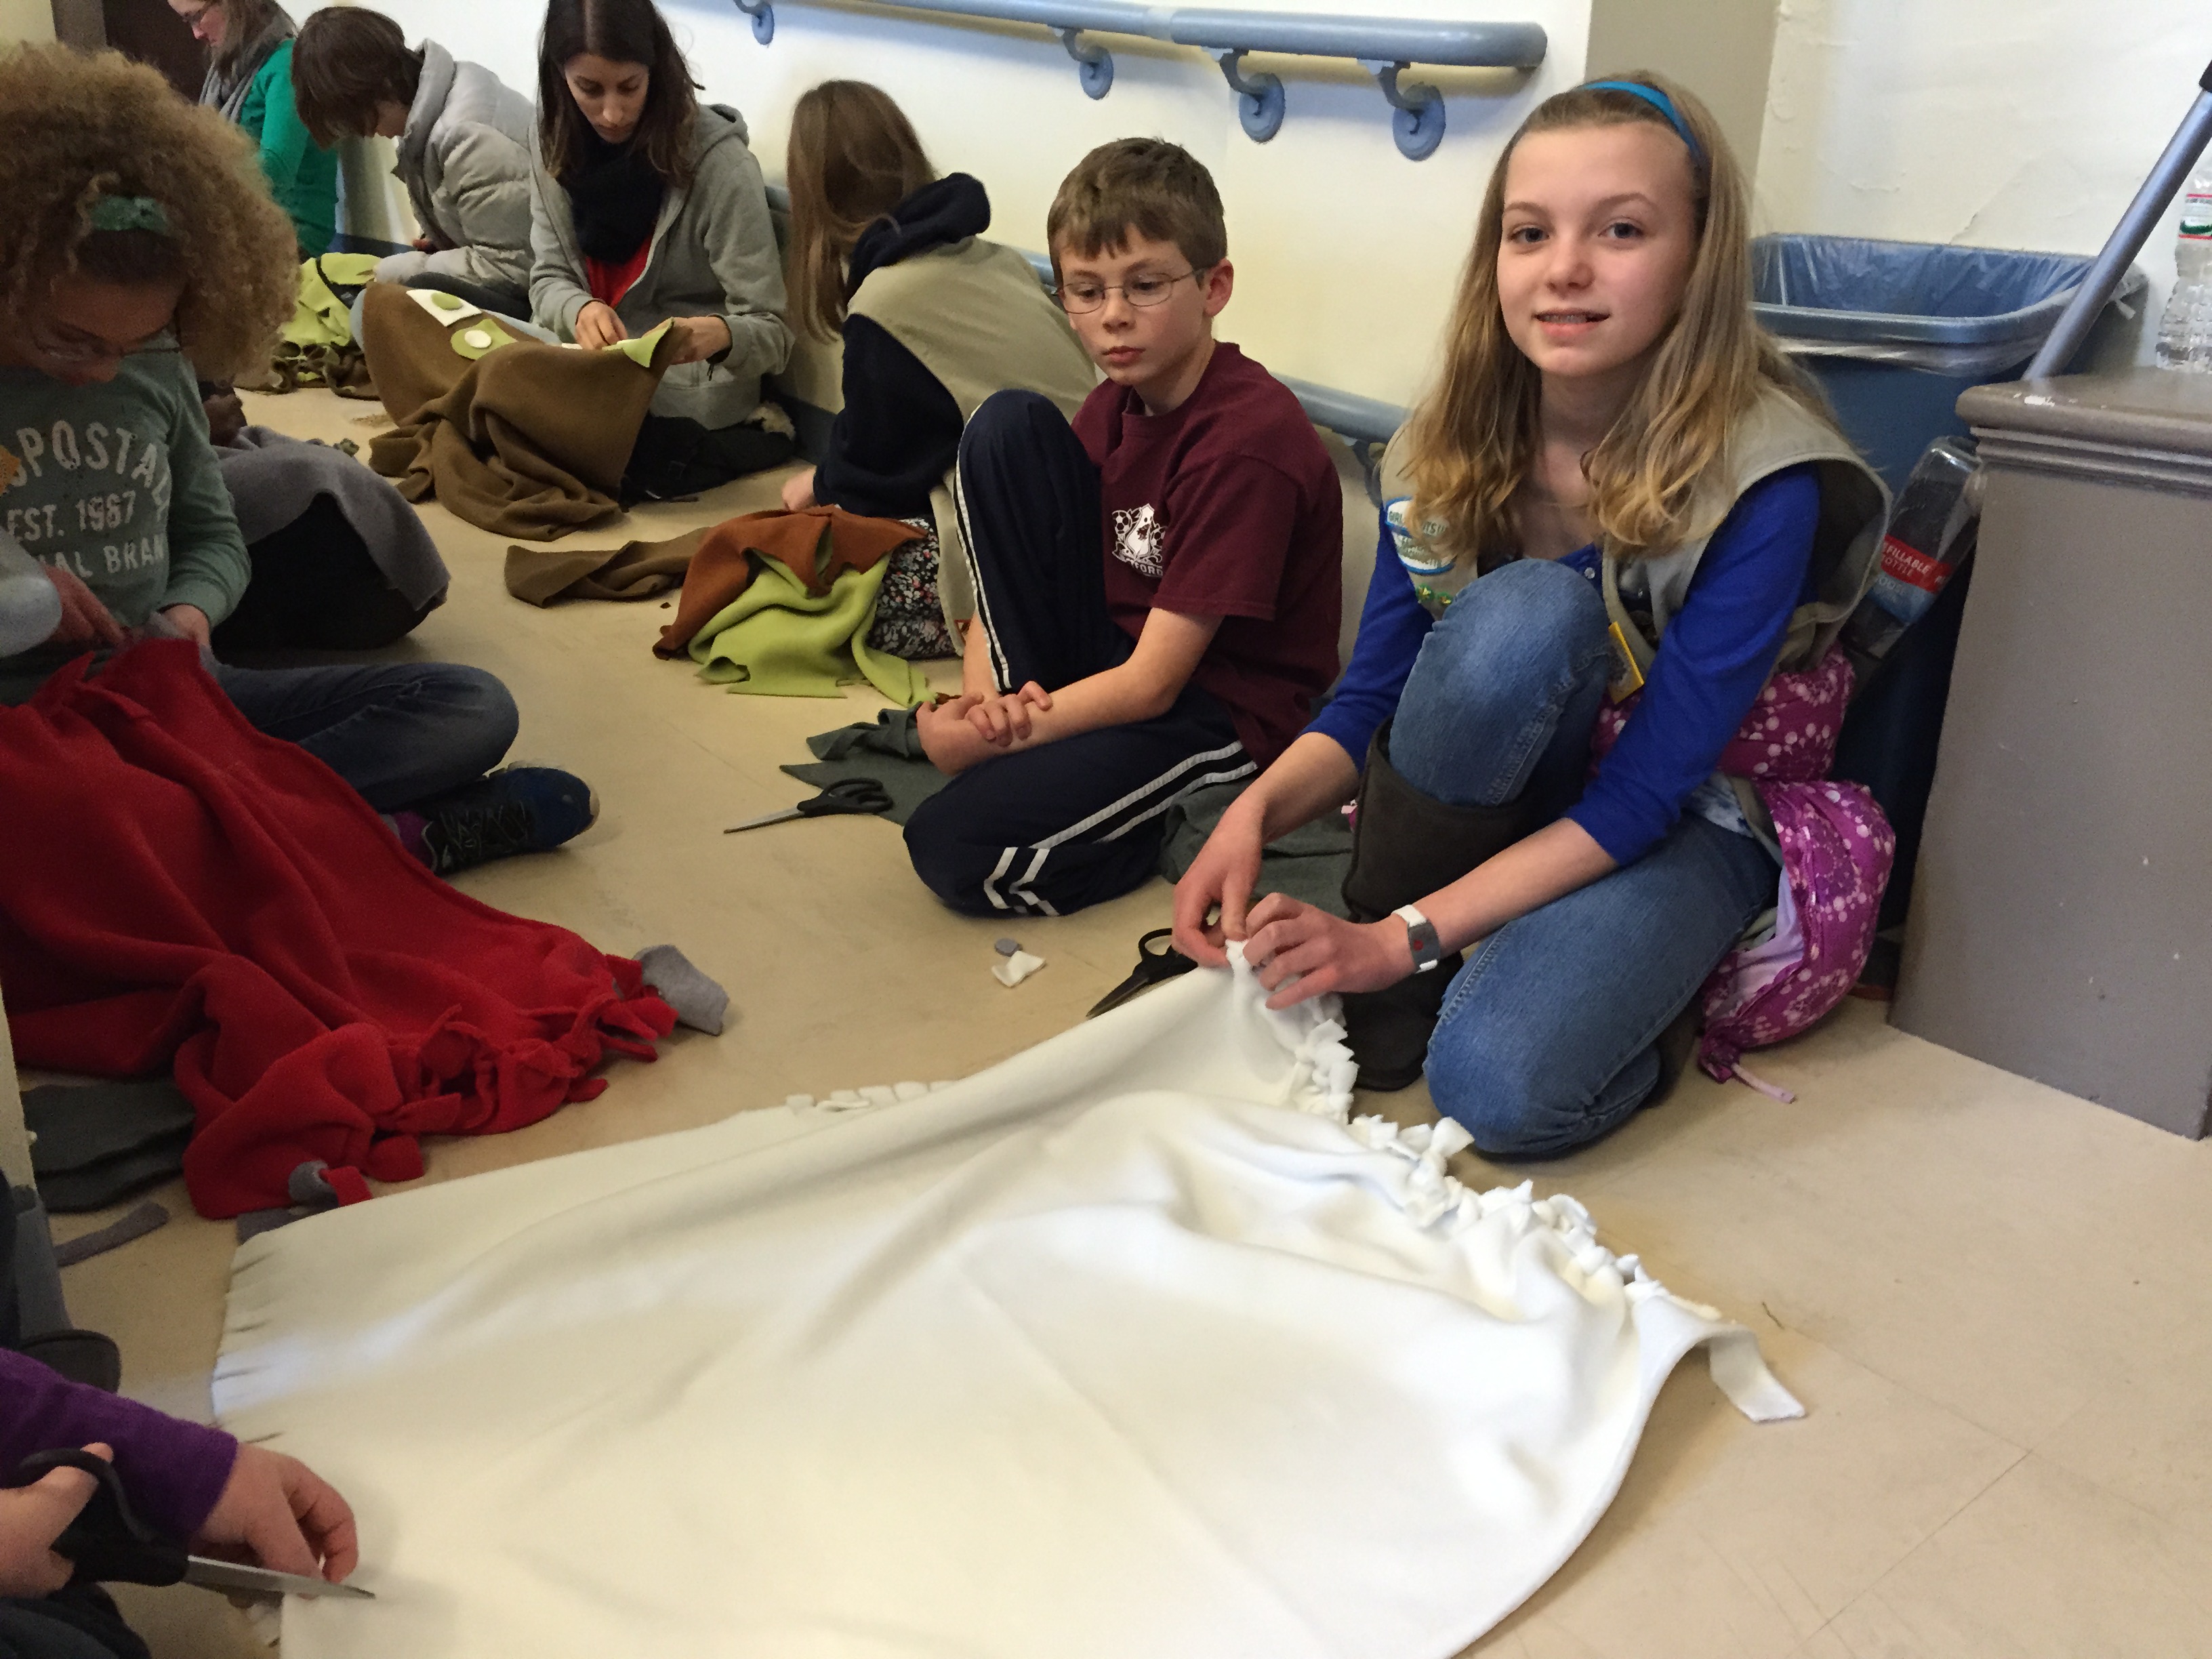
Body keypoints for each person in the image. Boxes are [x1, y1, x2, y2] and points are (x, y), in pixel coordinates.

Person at [1170, 77, 1888, 1155]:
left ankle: (1636, 976)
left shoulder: (1764, 481)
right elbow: (1372, 699)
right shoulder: (1440, 448)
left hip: (1688, 808)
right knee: (1521, 618)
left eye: (1623, 230)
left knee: (1496, 1089)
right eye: (1529, 232)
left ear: (1699, 257)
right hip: (1522, 784)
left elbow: (1645, 794)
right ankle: (1435, 954)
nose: (1565, 269)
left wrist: (1397, 940)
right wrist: (1252, 815)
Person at [0, 44, 595, 878]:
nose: (103, 371)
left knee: (470, 705)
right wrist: (22, 594)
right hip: (21, 726)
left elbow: (212, 537)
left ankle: (206, 828)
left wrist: (190, 614)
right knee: (61, 803)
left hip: (164, 692)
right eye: (71, 341)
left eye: (134, 343)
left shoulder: (155, 369)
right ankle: (387, 839)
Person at [902, 139, 1343, 919]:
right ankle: (1022, 726)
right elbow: (1013, 574)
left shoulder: (1247, 442)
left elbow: (1154, 685)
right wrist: (987, 709)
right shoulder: (1115, 401)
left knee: (950, 845)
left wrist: (995, 746)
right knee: (1003, 426)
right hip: (1114, 653)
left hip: (1217, 712)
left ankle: (1146, 834)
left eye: (1146, 286)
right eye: (1086, 291)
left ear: (1213, 287)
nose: (1113, 316)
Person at [776, 80, 1097, 657]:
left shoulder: (884, 303)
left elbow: (877, 473)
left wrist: (821, 483)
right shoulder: (997, 259)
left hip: (1042, 542)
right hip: (1088, 502)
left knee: (819, 580)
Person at [528, 0, 794, 500]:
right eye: (589, 89)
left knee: (527, 440)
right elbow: (546, 281)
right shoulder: (552, 138)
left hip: (677, 397)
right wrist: (578, 308)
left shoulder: (722, 167)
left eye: (630, 87)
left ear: (657, 69)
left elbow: (773, 334)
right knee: (424, 324)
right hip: (582, 374)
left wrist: (722, 335)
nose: (612, 113)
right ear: (558, 77)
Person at [290, 7, 537, 317]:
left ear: (380, 88)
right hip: (527, 273)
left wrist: (407, 268)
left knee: (400, 298)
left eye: (357, 119)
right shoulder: (447, 93)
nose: (366, 134)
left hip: (539, 296)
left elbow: (511, 268)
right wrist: (442, 239)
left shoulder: (465, 140)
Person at [168, 0, 335, 261]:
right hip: (247, 229)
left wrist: (195, 187)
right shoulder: (229, 67)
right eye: (186, 21)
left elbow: (276, 171)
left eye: (196, 17)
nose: (196, 33)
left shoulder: (288, 64)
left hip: (292, 238)